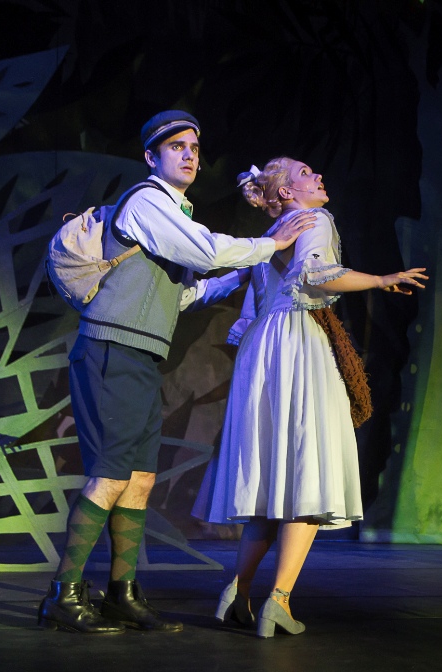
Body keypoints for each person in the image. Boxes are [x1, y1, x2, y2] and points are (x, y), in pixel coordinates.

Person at [37, 112, 316, 634]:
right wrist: (271, 245)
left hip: (141, 355)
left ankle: (122, 592)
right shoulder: (147, 200)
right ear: (151, 157)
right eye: (177, 147)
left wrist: (245, 272)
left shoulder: (172, 210)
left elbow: (183, 292)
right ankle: (64, 593)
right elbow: (204, 250)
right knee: (112, 475)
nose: (190, 154)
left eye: (194, 146)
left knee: (140, 479)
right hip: (110, 349)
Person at [192, 157, 428, 638]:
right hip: (298, 343)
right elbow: (317, 275)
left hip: (263, 350)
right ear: (285, 192)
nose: (318, 176)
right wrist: (380, 280)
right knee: (305, 473)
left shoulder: (272, 235)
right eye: (304, 173)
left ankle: (237, 592)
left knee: (271, 481)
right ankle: (278, 601)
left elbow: (241, 292)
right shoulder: (314, 219)